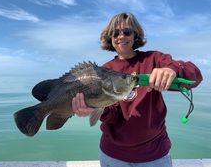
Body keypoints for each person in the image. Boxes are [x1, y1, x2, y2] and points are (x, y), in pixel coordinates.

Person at [72, 12, 203, 167]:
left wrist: (173, 70)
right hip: (113, 155)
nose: (121, 36)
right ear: (110, 38)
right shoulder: (105, 70)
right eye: (115, 33)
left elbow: (195, 77)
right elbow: (111, 116)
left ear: (135, 35)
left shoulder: (154, 59)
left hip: (155, 154)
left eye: (126, 32)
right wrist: (94, 108)